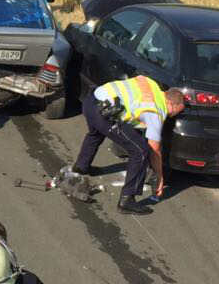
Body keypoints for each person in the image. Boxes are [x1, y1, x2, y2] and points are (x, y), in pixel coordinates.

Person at [72, 75, 185, 215]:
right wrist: (160, 176)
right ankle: (127, 201)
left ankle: (81, 167)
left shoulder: (151, 84)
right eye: (175, 112)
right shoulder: (156, 110)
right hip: (105, 113)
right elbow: (154, 148)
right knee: (141, 151)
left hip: (91, 101)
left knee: (95, 133)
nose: (172, 116)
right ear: (171, 104)